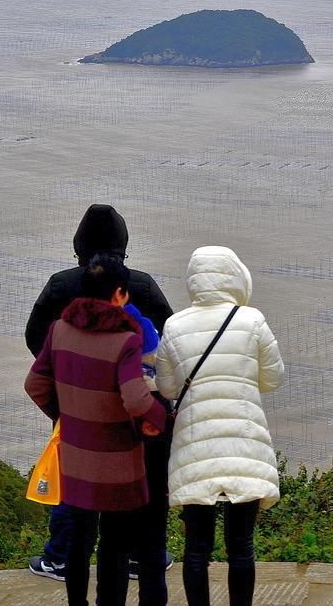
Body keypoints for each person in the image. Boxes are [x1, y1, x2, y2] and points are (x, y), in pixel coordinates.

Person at [26, 204, 173, 589]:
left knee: (74, 477)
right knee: (137, 481)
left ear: (79, 245)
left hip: (75, 402)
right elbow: (169, 342)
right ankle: (141, 558)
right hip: (135, 404)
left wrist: (66, 395)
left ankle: (59, 557)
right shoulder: (140, 285)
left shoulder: (61, 285)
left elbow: (36, 341)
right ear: (123, 245)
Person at [155, 245, 284, 606]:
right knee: (240, 545)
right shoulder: (252, 320)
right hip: (244, 445)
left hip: (195, 449)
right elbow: (273, 378)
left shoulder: (174, 325)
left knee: (196, 547)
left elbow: (167, 388)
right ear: (235, 275)